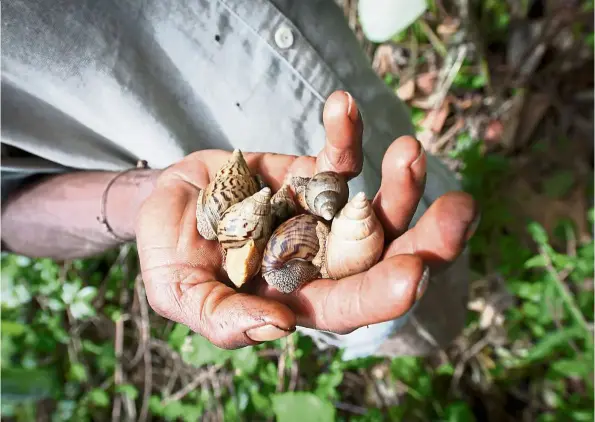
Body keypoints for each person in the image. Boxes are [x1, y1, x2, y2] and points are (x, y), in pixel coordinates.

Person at [1, 0, 478, 360]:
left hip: (361, 98)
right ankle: (451, 340)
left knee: (439, 212)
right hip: (356, 286)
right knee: (426, 320)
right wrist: (148, 198)